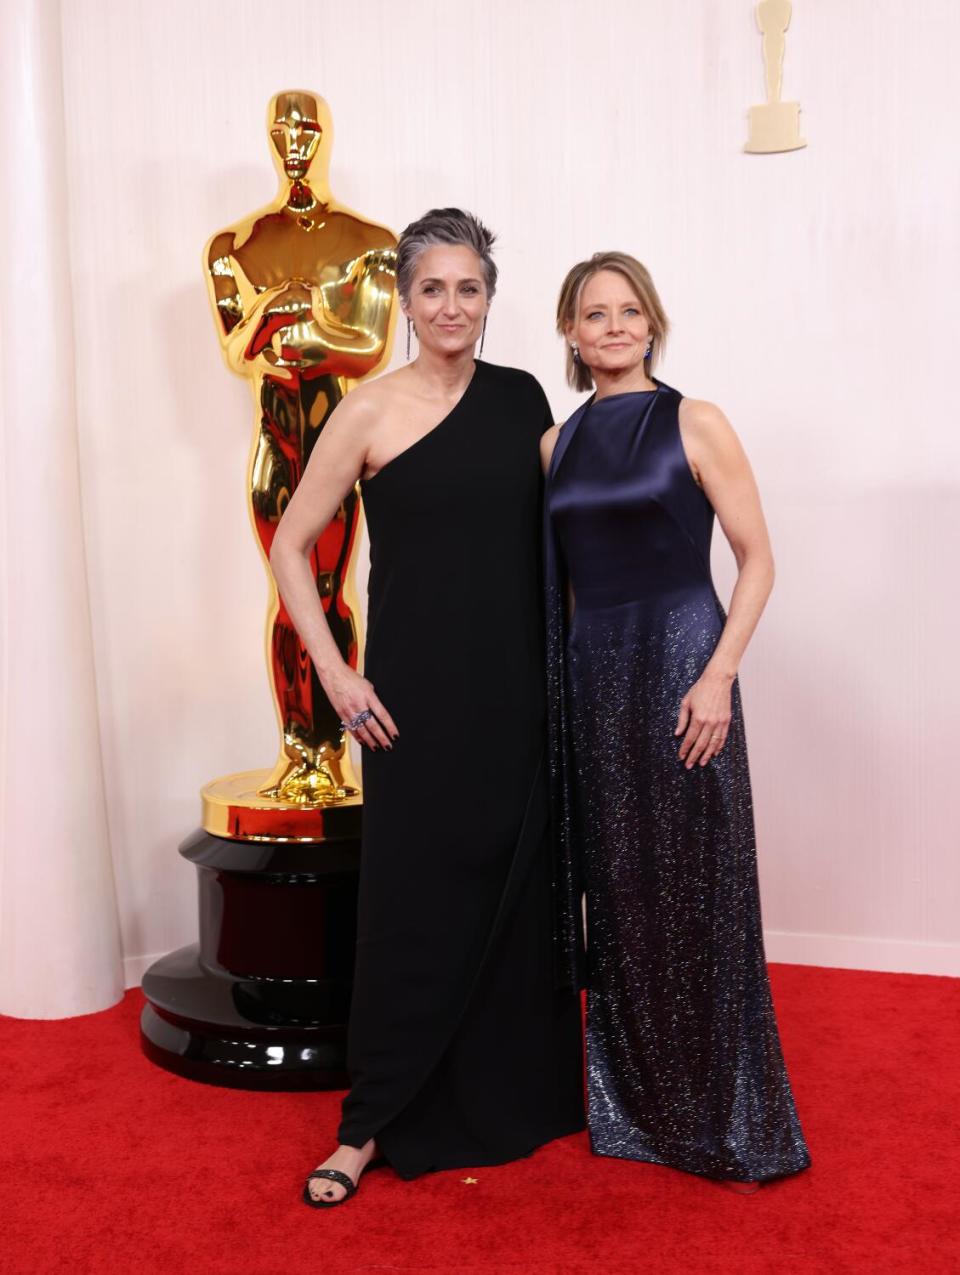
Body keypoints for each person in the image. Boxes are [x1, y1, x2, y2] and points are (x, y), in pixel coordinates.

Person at [270, 209, 585, 1207]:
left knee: (515, 888)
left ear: (490, 301)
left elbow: (578, 516)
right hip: (405, 698)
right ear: (404, 301)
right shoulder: (366, 411)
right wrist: (336, 672)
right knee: (410, 904)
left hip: (519, 688)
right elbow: (292, 544)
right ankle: (369, 1124)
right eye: (434, 289)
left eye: (470, 289)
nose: (453, 306)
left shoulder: (522, 396)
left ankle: (514, 1096)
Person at [542, 251, 810, 1188]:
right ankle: (637, 1105)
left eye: (627, 310)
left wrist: (719, 674)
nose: (612, 326)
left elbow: (757, 557)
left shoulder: (695, 419)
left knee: (698, 878)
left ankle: (724, 1105)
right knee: (619, 885)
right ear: (571, 335)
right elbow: (562, 586)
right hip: (594, 677)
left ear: (651, 322)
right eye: (592, 314)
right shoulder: (556, 444)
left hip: (683, 665)